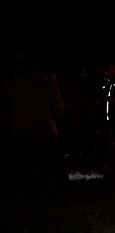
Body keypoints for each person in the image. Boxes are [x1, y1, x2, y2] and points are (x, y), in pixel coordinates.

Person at [0, 54, 66, 188]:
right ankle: (60, 182)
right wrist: (53, 119)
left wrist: (10, 119)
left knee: (26, 158)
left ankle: (28, 185)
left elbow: (2, 105)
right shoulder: (48, 85)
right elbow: (59, 107)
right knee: (56, 156)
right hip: (46, 128)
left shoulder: (10, 86)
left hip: (23, 128)